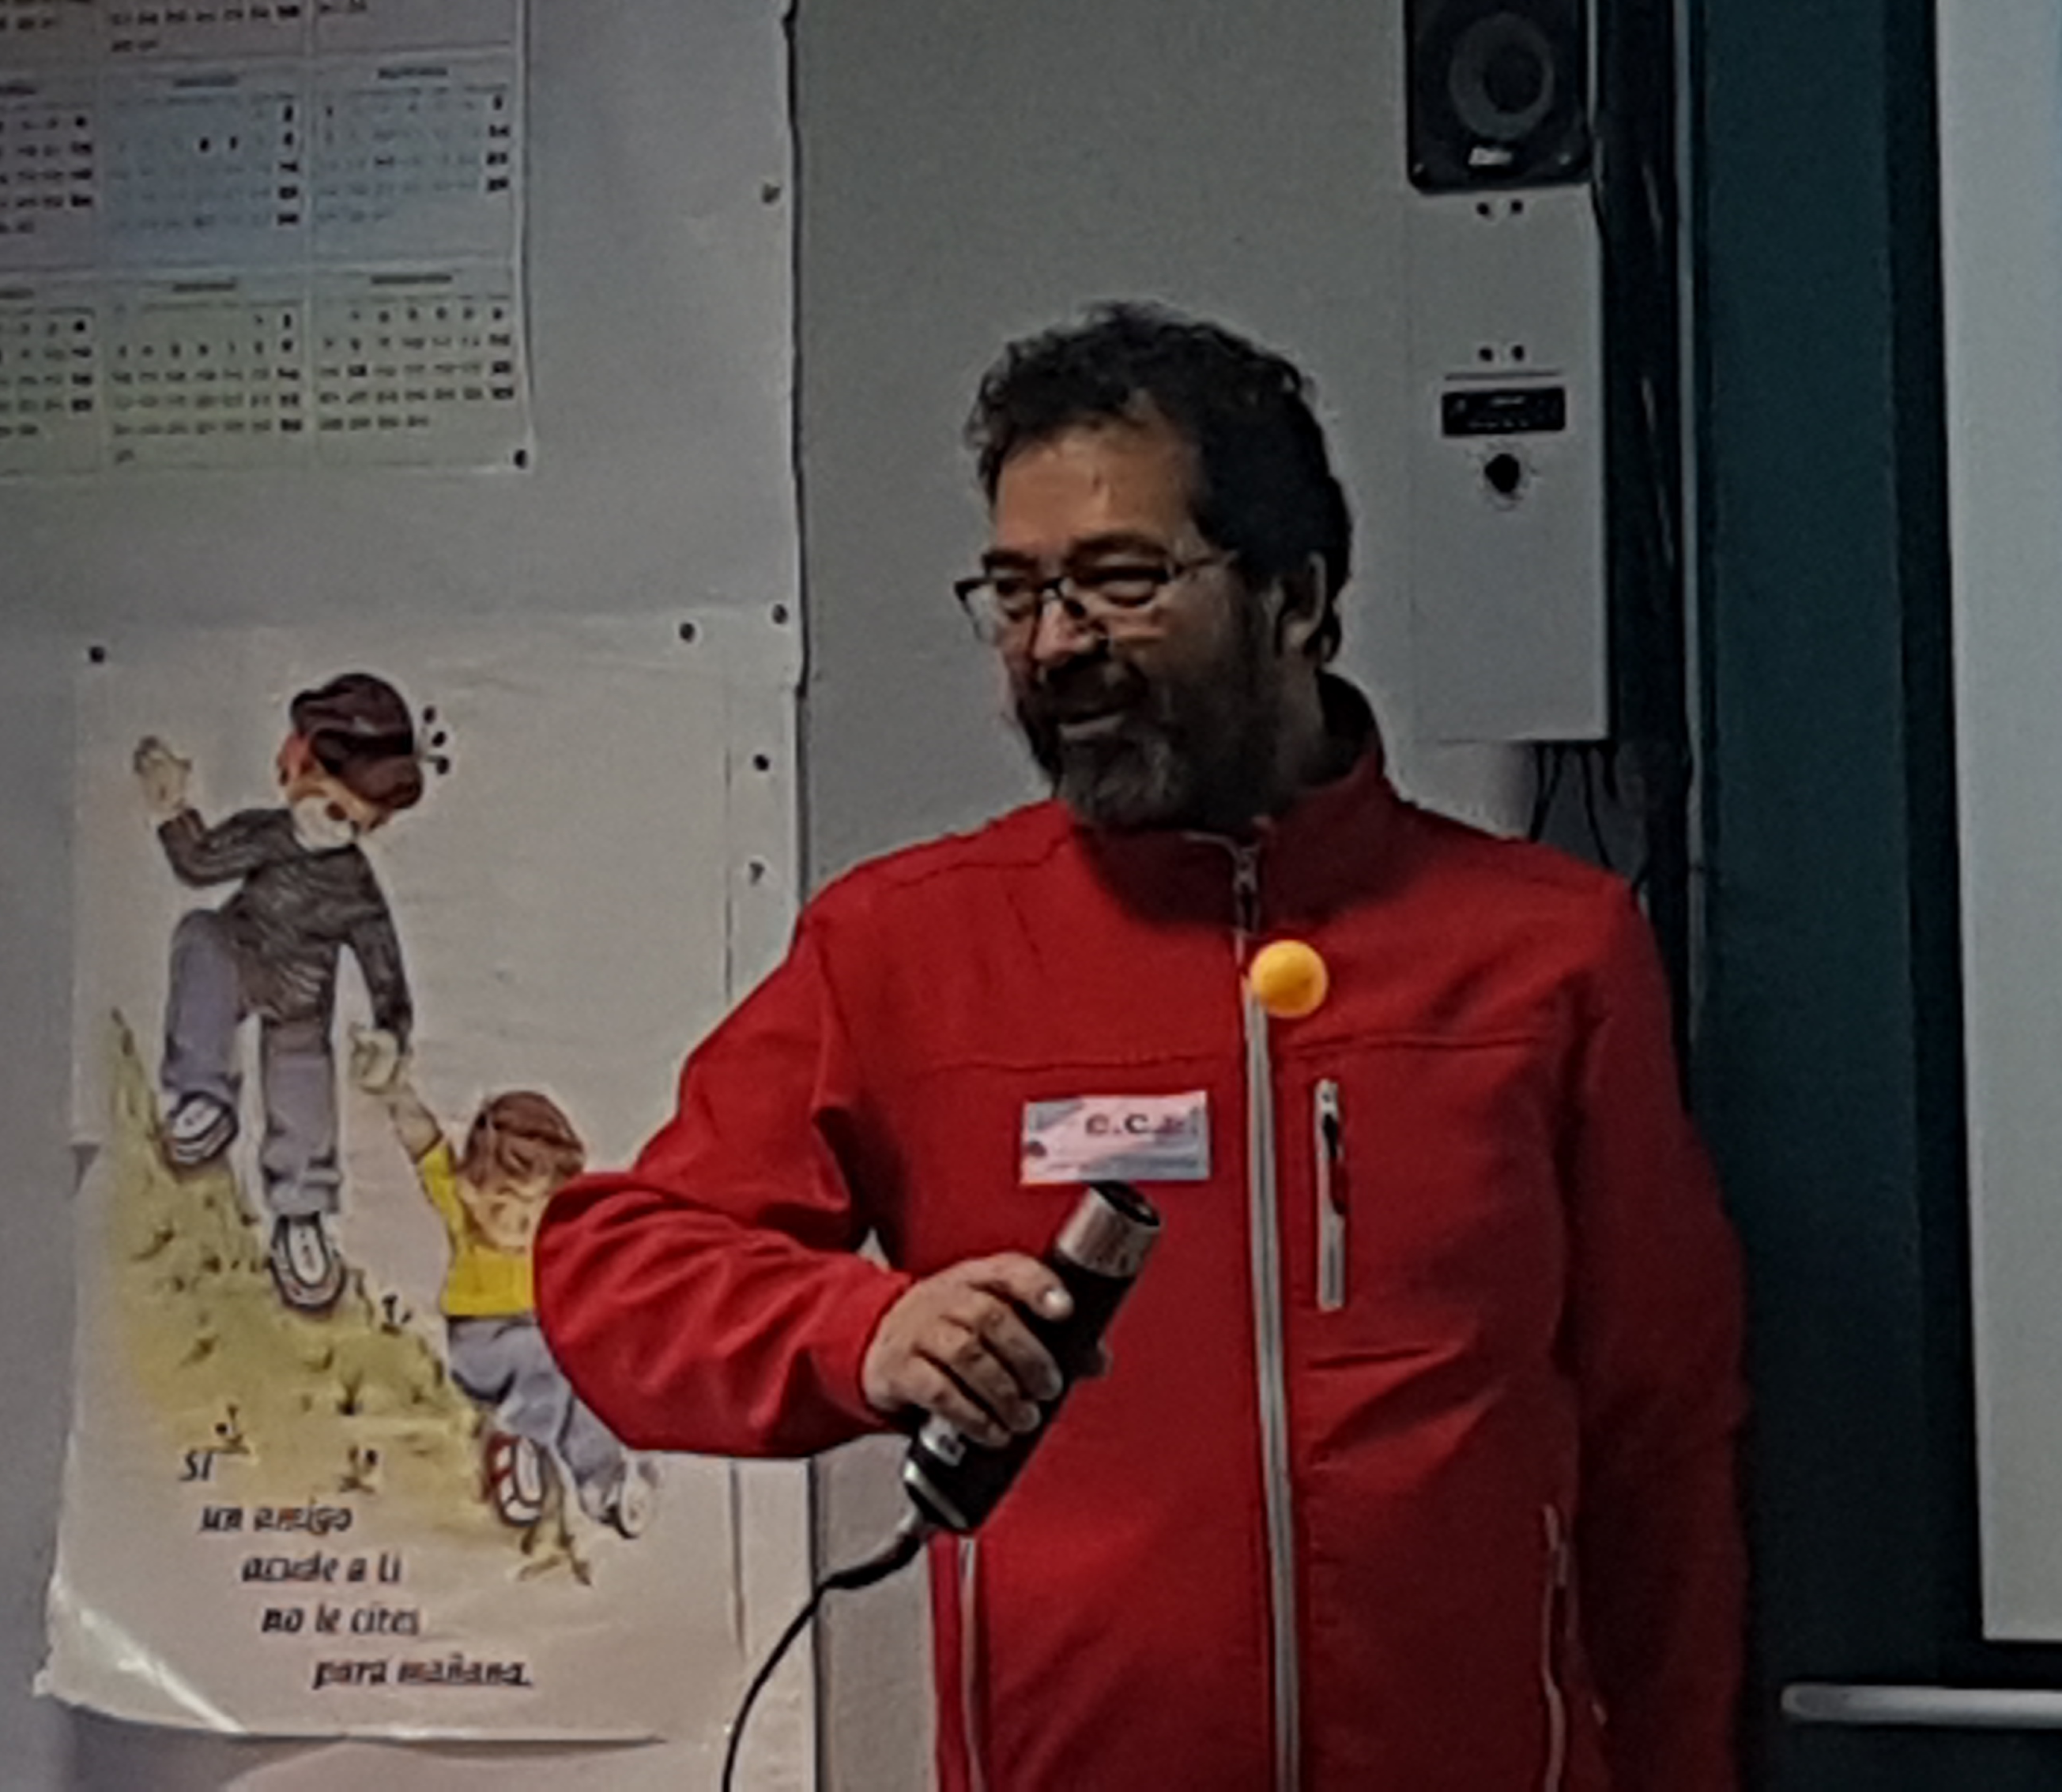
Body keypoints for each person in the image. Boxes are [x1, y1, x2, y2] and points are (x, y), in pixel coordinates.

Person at [537, 303, 1746, 1790]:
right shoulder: (908, 946)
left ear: (1296, 596)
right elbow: (617, 1273)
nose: (1057, 645)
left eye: (1121, 581)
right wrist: (865, 1331)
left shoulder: (1549, 951)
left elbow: (1660, 1443)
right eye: (1015, 592)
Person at [135, 671, 424, 1313]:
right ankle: (203, 1096)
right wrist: (173, 810)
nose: (337, 826)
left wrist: (391, 1031)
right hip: (239, 955)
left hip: (301, 995)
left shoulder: (353, 884)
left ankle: (302, 1211)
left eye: (355, 820)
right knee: (199, 937)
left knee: (302, 1082)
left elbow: (382, 961)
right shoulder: (269, 834)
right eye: (327, 801)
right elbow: (201, 864)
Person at [348, 1030, 653, 1538]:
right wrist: (394, 1089)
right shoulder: (465, 1219)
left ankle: (604, 1485)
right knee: (543, 1357)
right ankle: (516, 1439)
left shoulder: (556, 1238)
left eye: (531, 1211)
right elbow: (425, 1146)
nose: (514, 1225)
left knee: (577, 1376)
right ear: (473, 1189)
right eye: (500, 1204)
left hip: (537, 1343)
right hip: (481, 1347)